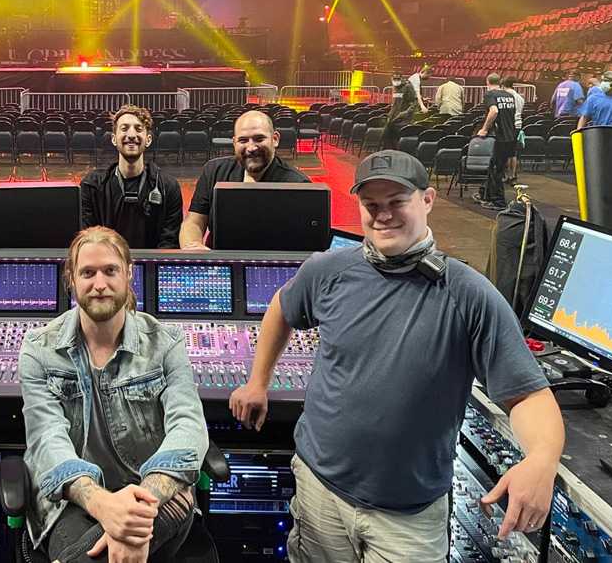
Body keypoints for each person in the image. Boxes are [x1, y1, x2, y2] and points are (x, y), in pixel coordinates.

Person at [230, 151, 563, 563]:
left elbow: (529, 396)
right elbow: (282, 307)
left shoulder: (469, 294)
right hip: (320, 492)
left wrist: (542, 460)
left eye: (396, 202)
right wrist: (258, 380)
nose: (382, 215)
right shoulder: (328, 271)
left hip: (409, 518)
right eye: (372, 206)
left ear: (427, 200)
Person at [19, 227, 209, 563]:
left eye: (110, 270)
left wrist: (133, 508)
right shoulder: (39, 350)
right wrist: (105, 506)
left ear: (128, 274)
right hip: (72, 499)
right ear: (71, 279)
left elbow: (188, 428)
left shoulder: (166, 344)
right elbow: (47, 441)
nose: (100, 284)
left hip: (152, 489)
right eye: (87, 273)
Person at [179, 110, 309, 250]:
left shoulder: (298, 185)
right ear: (234, 143)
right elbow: (194, 222)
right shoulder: (214, 170)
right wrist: (193, 249)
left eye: (259, 139)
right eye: (243, 140)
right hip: (221, 266)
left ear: (275, 139)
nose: (251, 148)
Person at [80, 105, 183, 249]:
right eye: (124, 128)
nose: (132, 134)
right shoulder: (92, 185)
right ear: (114, 139)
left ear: (148, 140)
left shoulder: (168, 186)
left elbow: (169, 242)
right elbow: (87, 238)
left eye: (138, 129)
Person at [476, 73, 519, 211]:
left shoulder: (490, 95)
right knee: (495, 167)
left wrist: (484, 129)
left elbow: (494, 111)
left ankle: (498, 202)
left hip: (499, 137)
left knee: (496, 170)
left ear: (487, 82)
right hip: (511, 136)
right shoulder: (510, 95)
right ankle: (486, 194)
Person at [380, 75, 419, 151]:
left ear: (401, 79)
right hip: (393, 117)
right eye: (394, 79)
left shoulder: (408, 87)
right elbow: (395, 103)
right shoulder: (394, 87)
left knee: (396, 138)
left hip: (403, 119)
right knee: (386, 136)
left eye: (398, 79)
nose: (395, 81)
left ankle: (398, 153)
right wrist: (390, 114)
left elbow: (414, 102)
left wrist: (406, 112)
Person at [502, 76, 525, 183]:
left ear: (503, 85)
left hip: (508, 125)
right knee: (513, 152)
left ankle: (507, 176)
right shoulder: (520, 97)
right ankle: (513, 176)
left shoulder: (504, 96)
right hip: (518, 125)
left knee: (505, 151)